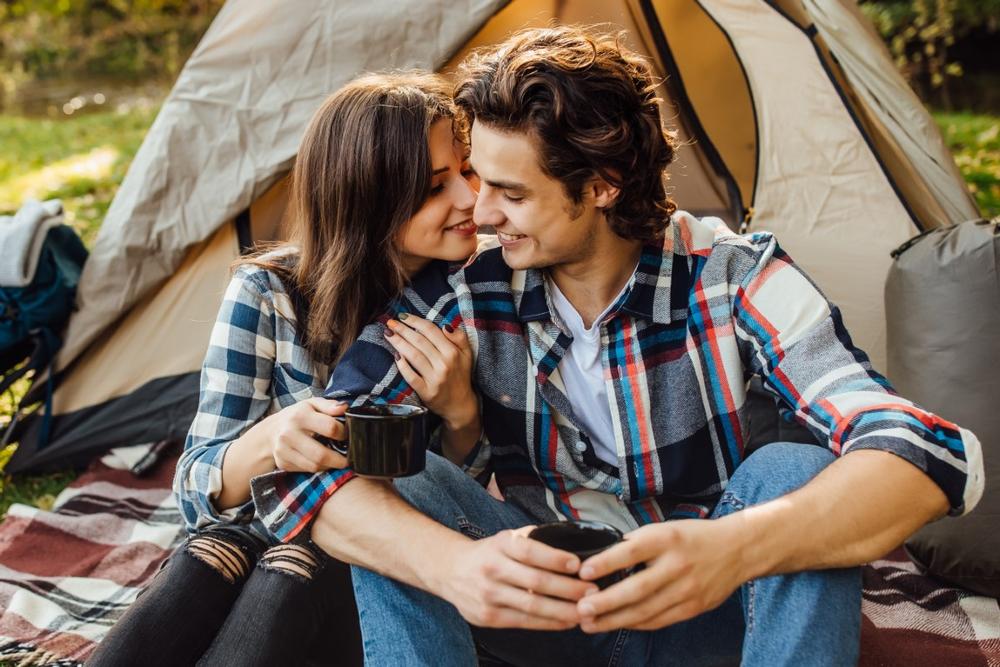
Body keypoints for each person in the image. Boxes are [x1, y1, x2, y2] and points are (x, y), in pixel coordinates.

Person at [252, 26, 985, 667]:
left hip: (721, 611)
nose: (478, 210)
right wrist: (454, 564)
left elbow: (927, 452)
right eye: (478, 178)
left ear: (601, 185)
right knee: (392, 474)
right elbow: (296, 476)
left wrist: (736, 548)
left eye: (509, 191)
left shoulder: (732, 275)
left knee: (793, 469)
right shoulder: (465, 287)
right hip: (545, 613)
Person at [86, 71, 482, 667]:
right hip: (250, 531)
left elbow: (467, 503)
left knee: (291, 567)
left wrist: (461, 416)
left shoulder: (473, 294)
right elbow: (195, 491)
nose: (470, 198)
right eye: (435, 187)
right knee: (208, 557)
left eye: (467, 170)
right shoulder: (269, 293)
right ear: (369, 198)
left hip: (375, 561)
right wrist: (269, 441)